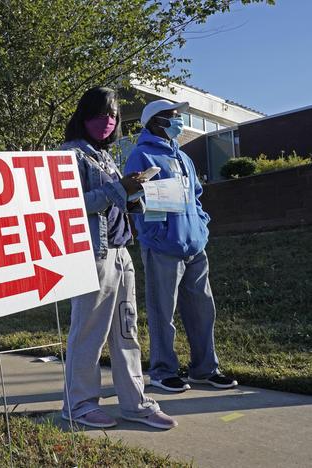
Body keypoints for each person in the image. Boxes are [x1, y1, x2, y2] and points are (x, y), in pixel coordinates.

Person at [59, 87, 176, 430]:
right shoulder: (70, 155)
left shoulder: (106, 156)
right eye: (100, 114)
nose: (108, 122)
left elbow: (112, 202)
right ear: (83, 116)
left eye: (112, 115)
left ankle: (134, 401)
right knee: (89, 332)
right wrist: (118, 190)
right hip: (92, 255)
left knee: (127, 330)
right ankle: (78, 403)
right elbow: (73, 207)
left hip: (122, 251)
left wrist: (133, 196)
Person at [124, 99, 237, 392]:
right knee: (163, 312)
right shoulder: (142, 155)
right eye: (172, 117)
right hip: (162, 247)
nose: (178, 122)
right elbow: (136, 199)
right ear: (155, 122)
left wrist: (202, 225)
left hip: (194, 246)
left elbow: (196, 196)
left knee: (202, 310)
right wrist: (157, 234)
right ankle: (163, 371)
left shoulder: (184, 158)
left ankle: (205, 369)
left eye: (178, 117)